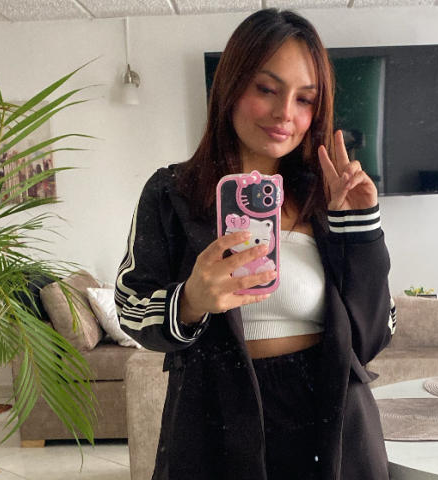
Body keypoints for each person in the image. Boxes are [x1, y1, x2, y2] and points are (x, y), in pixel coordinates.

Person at [116, 8, 395, 480]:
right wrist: (191, 301)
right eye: (267, 89)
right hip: (214, 420)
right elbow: (130, 307)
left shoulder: (326, 198)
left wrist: (360, 228)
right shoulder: (172, 193)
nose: (286, 113)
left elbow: (373, 335)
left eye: (305, 99)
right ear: (231, 86)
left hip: (331, 420)